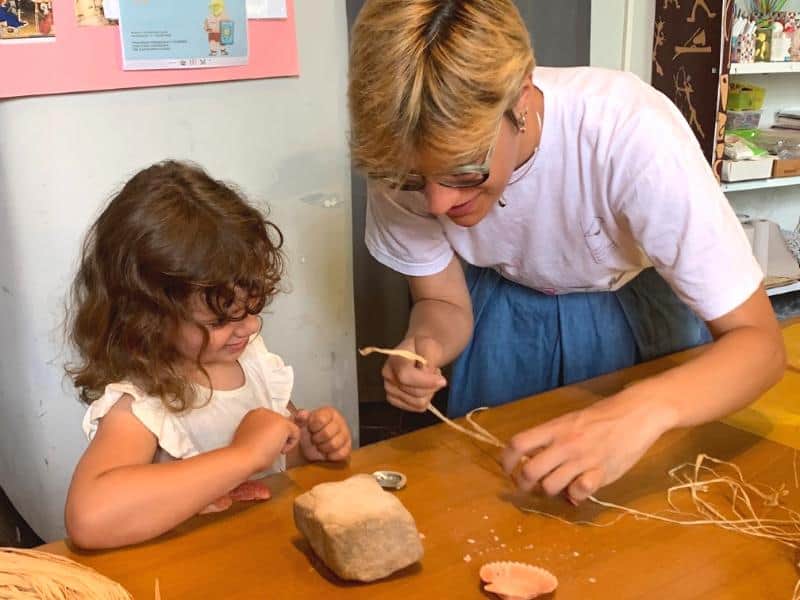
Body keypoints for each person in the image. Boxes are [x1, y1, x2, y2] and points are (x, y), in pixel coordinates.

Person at [347, 0, 784, 504]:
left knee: (647, 508)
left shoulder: (629, 132)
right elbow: (442, 304)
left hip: (632, 308)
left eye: (463, 172)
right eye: (412, 180)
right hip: (503, 312)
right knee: (491, 496)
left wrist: (640, 410)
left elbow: (759, 346)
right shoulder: (399, 152)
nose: (439, 203)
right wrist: (422, 348)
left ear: (522, 98)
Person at [64, 161, 352, 549]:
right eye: (220, 320)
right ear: (147, 320)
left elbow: (275, 459)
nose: (250, 328)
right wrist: (242, 455)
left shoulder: (251, 362)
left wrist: (307, 446)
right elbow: (89, 518)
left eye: (252, 308)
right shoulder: (142, 406)